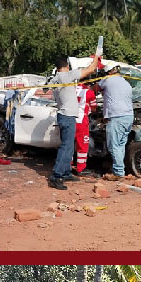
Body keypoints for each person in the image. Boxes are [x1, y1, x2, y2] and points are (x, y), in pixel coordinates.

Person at [48, 54, 100, 190]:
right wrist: (97, 57)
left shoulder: (56, 78)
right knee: (66, 148)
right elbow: (90, 69)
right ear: (66, 66)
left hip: (65, 115)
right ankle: (56, 176)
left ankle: (65, 172)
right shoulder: (66, 76)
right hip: (67, 116)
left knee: (69, 147)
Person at [98, 65, 135, 182]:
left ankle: (118, 172)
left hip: (117, 117)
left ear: (108, 72)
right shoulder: (126, 82)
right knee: (120, 145)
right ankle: (119, 169)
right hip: (128, 116)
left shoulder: (107, 80)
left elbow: (95, 89)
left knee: (113, 146)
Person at [71, 81, 99, 176]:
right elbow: (94, 107)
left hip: (70, 119)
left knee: (68, 144)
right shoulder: (89, 92)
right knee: (82, 145)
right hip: (81, 121)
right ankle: (80, 168)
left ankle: (67, 166)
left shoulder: (71, 89)